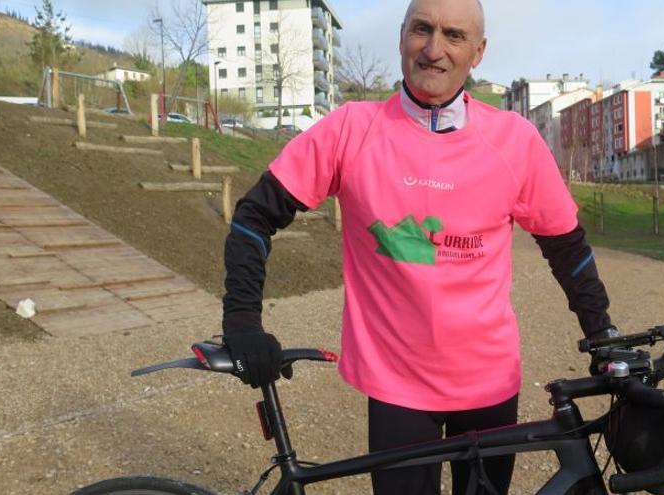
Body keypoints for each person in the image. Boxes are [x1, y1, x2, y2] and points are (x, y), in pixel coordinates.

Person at [221, 0, 616, 493]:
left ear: (478, 52)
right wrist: (242, 321)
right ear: (402, 35)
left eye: (454, 35)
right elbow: (255, 216)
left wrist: (602, 334)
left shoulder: (514, 140)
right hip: (396, 388)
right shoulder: (350, 128)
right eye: (422, 29)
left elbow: (566, 247)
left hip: (488, 384)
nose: (433, 49)